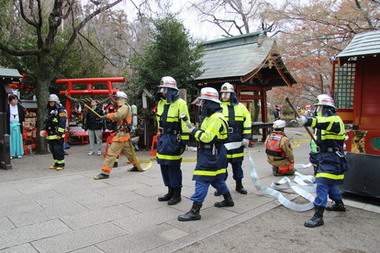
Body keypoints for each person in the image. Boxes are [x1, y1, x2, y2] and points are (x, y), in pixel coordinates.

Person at [178, 87, 234, 222]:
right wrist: (190, 125)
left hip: (211, 153)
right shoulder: (212, 116)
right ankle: (228, 200)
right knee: (216, 179)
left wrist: (192, 130)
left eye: (203, 102)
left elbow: (206, 137)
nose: (201, 105)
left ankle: (194, 212)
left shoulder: (216, 118)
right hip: (212, 152)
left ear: (210, 103)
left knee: (201, 179)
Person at [296, 94, 349, 228]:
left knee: (322, 184)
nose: (317, 111)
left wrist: (308, 121)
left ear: (326, 108)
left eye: (319, 108)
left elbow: (323, 123)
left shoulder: (335, 120)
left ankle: (318, 216)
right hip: (325, 157)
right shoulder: (326, 120)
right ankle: (339, 204)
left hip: (332, 158)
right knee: (329, 184)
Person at [156, 76, 190, 205]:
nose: (162, 91)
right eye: (161, 89)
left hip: (174, 138)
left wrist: (184, 141)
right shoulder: (161, 102)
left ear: (170, 90)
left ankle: (177, 193)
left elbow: (185, 122)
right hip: (163, 138)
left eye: (164, 89)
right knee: (163, 165)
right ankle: (169, 190)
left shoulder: (180, 103)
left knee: (173, 167)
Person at [93, 91, 143, 180]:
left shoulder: (124, 107)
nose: (114, 101)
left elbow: (118, 116)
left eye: (116, 99)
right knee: (130, 153)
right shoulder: (125, 107)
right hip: (124, 134)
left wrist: (107, 116)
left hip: (121, 135)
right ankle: (137, 166)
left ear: (120, 99)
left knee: (111, 153)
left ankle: (105, 172)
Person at [219, 82, 251, 194]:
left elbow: (247, 123)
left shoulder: (241, 107)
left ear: (232, 94)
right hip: (224, 140)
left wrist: (246, 137)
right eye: (222, 93)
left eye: (226, 93)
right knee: (222, 165)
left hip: (237, 140)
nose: (224, 96)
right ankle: (221, 187)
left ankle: (239, 185)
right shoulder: (218, 107)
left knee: (237, 164)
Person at [43, 94, 67, 170]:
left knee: (58, 149)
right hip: (50, 133)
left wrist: (60, 133)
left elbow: (62, 122)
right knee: (52, 149)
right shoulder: (50, 110)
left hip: (57, 133)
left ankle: (61, 164)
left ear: (56, 102)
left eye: (52, 102)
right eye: (50, 102)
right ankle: (56, 163)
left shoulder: (61, 110)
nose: (51, 104)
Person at [7, 94, 25, 159]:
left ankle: (18, 153)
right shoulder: (7, 107)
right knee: (10, 139)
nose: (15, 101)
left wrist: (22, 122)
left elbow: (22, 115)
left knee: (18, 139)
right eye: (14, 99)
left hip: (17, 125)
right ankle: (11, 153)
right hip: (10, 125)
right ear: (10, 101)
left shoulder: (19, 107)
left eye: (16, 99)